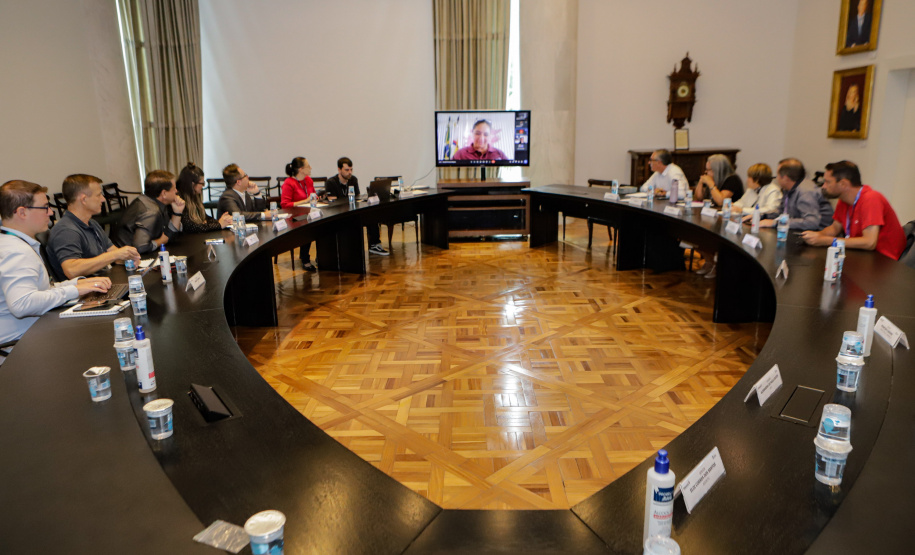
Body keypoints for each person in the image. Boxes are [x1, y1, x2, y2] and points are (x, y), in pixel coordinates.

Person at [0, 180, 111, 351]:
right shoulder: (16, 251)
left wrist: (76, 283)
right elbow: (22, 304)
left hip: (32, 333)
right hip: (21, 345)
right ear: (22, 212)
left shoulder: (12, 242)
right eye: (44, 207)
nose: (51, 213)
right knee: (99, 339)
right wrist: (73, 290)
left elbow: (38, 290)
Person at [801, 161, 906, 260]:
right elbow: (834, 228)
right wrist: (817, 236)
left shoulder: (871, 199)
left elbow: (869, 242)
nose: (823, 186)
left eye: (828, 182)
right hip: (861, 255)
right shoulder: (844, 200)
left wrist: (825, 241)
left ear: (843, 184)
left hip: (883, 261)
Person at [47, 174, 140, 281]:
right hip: (86, 294)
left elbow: (114, 254)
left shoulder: (91, 223)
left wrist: (129, 258)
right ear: (84, 199)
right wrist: (115, 255)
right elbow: (71, 270)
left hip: (103, 283)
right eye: (99, 195)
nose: (103, 199)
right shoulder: (66, 231)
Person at [324, 157, 388, 256]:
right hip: (338, 214)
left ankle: (374, 245)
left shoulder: (353, 180)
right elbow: (333, 202)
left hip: (352, 211)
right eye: (346, 170)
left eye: (351, 169)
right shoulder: (331, 182)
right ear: (339, 169)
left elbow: (357, 197)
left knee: (372, 214)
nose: (350, 172)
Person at [693, 155, 743, 279]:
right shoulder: (713, 179)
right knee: (694, 232)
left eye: (709, 170)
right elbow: (698, 198)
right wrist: (700, 182)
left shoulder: (732, 180)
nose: (706, 172)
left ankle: (716, 264)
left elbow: (721, 201)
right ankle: (709, 262)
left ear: (718, 170)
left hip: (730, 220)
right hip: (714, 216)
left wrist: (710, 184)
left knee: (707, 236)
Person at [114, 170, 185, 254]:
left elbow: (170, 235)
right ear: (164, 193)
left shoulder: (151, 201)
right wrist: (161, 241)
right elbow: (141, 247)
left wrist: (177, 213)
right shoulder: (150, 211)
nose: (176, 191)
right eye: (174, 189)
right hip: (127, 261)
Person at [758, 158, 833, 230]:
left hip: (818, 234)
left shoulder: (805, 192)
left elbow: (811, 223)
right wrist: (761, 216)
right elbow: (782, 212)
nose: (776, 178)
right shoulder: (788, 189)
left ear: (785, 178)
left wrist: (775, 223)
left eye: (778, 175)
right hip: (799, 231)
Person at [281, 157, 318, 271]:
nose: (310, 168)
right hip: (294, 217)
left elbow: (313, 195)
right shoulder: (289, 183)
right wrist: (304, 201)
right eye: (308, 166)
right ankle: (305, 260)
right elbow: (285, 205)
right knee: (308, 225)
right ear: (301, 169)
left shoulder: (308, 180)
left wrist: (315, 198)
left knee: (322, 222)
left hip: (306, 214)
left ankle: (322, 256)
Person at [175, 162, 233, 233]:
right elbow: (191, 226)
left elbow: (205, 217)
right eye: (202, 183)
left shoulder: (194, 196)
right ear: (193, 184)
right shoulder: (180, 199)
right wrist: (219, 224)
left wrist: (222, 221)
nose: (203, 186)